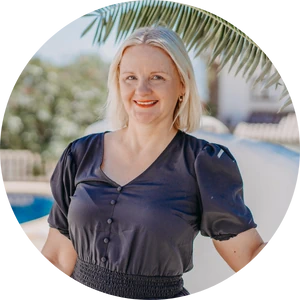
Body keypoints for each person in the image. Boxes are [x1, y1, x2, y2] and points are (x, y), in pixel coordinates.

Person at [41, 25, 269, 299]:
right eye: (130, 77)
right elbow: (56, 257)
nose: (142, 90)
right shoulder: (79, 155)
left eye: (157, 77)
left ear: (182, 84)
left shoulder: (203, 163)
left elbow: (249, 256)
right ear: (117, 83)